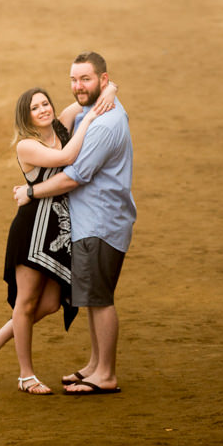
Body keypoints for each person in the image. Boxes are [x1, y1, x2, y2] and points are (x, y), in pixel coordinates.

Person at [0, 82, 115, 395]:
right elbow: (68, 156)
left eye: (45, 103)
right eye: (34, 108)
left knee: (52, 303)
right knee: (25, 303)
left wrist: (110, 90)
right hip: (31, 232)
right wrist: (91, 121)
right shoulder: (26, 145)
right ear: (25, 117)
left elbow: (87, 99)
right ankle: (26, 375)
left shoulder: (61, 125)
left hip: (59, 231)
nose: (43, 110)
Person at [13, 50, 135, 395]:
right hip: (88, 222)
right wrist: (108, 94)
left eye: (86, 79)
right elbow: (74, 118)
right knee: (93, 297)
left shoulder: (104, 121)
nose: (78, 86)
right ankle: (95, 366)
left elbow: (74, 174)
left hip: (100, 221)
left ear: (103, 79)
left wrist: (31, 192)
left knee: (100, 299)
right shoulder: (90, 111)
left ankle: (106, 374)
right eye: (73, 79)